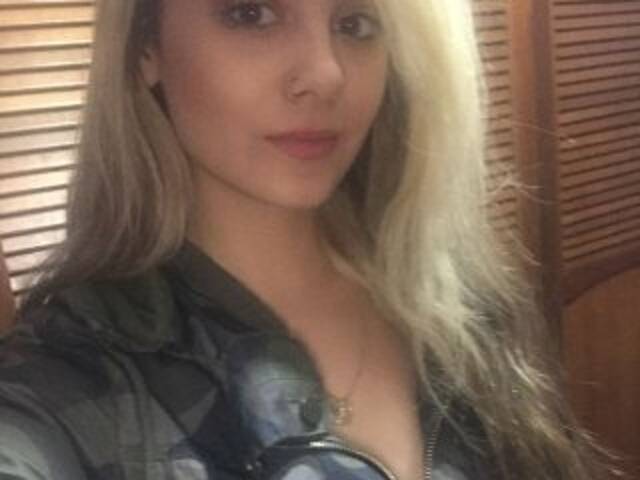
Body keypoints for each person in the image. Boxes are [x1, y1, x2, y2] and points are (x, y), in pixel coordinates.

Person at [0, 0, 609, 479]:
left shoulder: (463, 304)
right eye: (251, 13)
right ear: (145, 47)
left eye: (356, 22)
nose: (326, 73)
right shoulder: (81, 371)